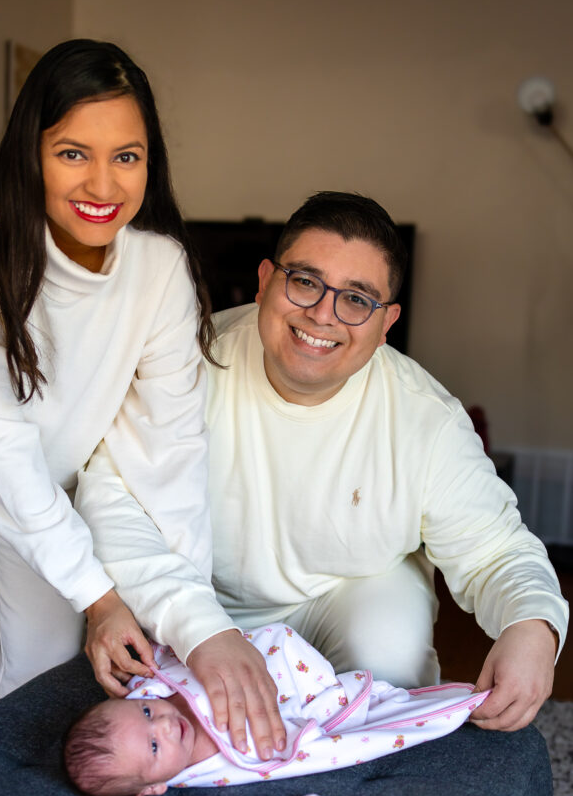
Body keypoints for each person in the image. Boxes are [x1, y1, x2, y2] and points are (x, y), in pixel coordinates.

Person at [0, 38, 284, 763]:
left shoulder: (159, 268)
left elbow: (171, 454)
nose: (102, 182)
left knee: (42, 686)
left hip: (52, 484)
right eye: (73, 152)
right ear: (29, 152)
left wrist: (183, 622)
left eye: (126, 156)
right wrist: (99, 599)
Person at [76, 191, 568, 736]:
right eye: (305, 282)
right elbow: (109, 492)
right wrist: (197, 629)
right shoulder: (183, 360)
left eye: (357, 299)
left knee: (389, 656)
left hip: (345, 592)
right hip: (192, 590)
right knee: (144, 733)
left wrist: (533, 626)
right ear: (265, 281)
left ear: (387, 324)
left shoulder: (426, 419)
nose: (322, 314)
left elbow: (497, 549)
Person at [64, 621, 489, 796]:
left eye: (144, 713)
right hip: (300, 687)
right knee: (369, 695)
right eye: (155, 747)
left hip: (257, 645)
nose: (165, 725)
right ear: (154, 788)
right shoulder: (222, 762)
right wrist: (304, 734)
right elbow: (289, 753)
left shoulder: (151, 687)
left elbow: (160, 655)